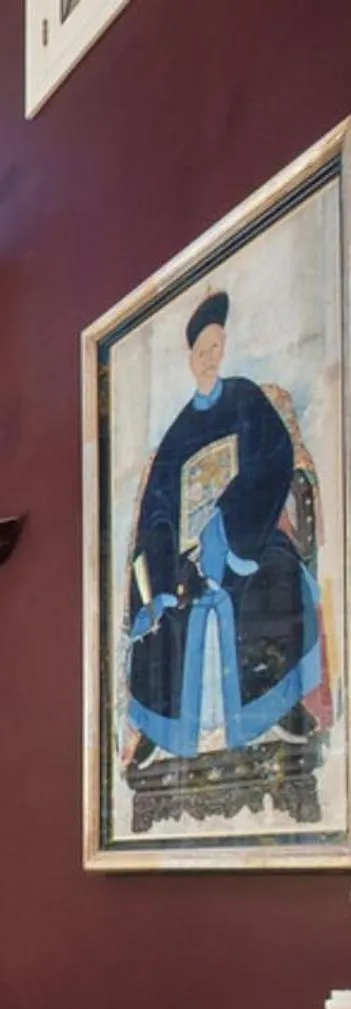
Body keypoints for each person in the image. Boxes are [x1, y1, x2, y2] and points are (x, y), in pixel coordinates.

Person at [124, 290, 327, 767]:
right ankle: (163, 726)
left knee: (273, 578)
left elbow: (274, 457)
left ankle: (280, 705)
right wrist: (170, 558)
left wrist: (227, 521)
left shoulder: (246, 398)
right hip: (185, 553)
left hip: (246, 535)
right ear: (191, 359)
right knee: (165, 611)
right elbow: (156, 509)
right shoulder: (176, 433)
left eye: (217, 348)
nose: (210, 358)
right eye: (202, 351)